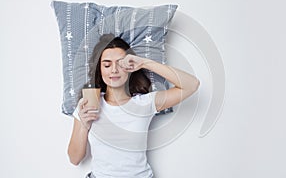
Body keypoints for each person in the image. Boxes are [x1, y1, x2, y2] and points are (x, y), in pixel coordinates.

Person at [67, 34, 200, 178]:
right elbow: (74, 159)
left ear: (130, 67)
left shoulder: (145, 103)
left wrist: (144, 63)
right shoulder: (88, 103)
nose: (114, 70)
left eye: (120, 63)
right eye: (107, 65)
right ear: (100, 69)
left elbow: (191, 85)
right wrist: (84, 126)